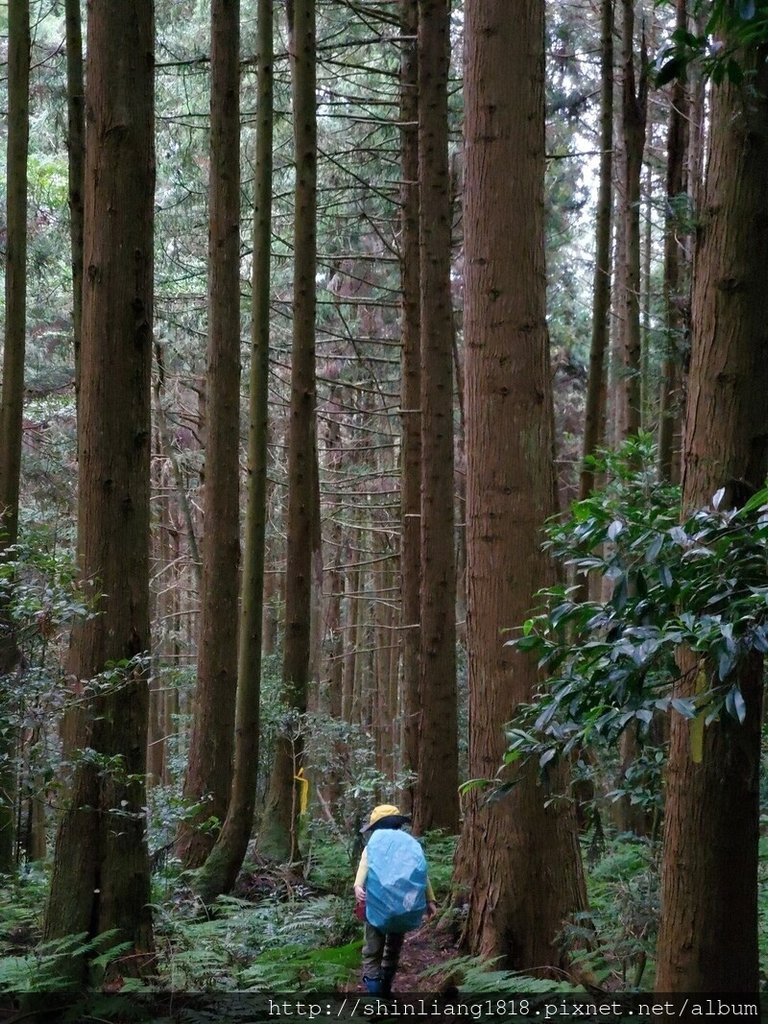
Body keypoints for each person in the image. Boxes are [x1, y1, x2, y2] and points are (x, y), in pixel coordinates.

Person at [354, 804, 437, 994]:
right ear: (398, 823)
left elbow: (364, 868)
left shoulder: (372, 845)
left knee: (372, 952)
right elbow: (421, 872)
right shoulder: (409, 843)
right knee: (393, 949)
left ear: (375, 825)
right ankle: (386, 989)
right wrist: (430, 900)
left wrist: (358, 887)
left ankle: (376, 999)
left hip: (375, 905)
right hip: (403, 908)